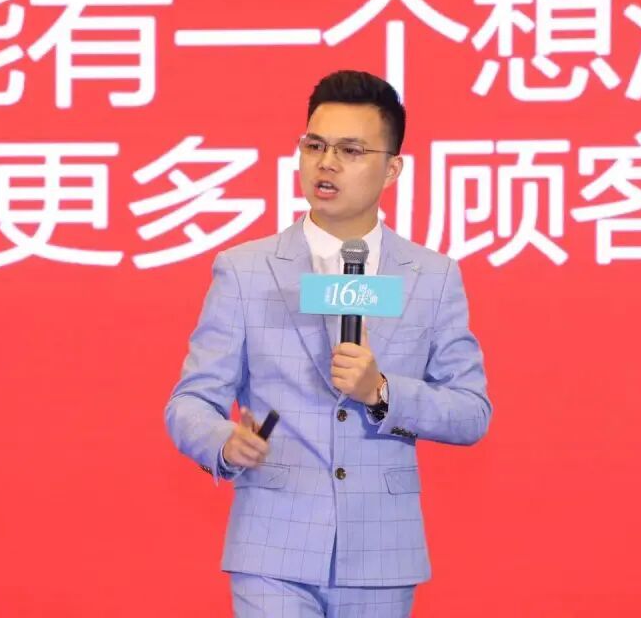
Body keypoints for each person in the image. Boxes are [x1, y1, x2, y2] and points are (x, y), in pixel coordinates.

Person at [165, 69, 492, 617]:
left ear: (392, 169)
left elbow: (470, 412)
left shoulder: (432, 277)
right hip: (272, 544)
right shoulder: (246, 270)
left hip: (381, 551)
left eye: (351, 150)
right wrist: (223, 441)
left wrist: (381, 391)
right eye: (314, 145)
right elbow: (190, 400)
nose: (327, 163)